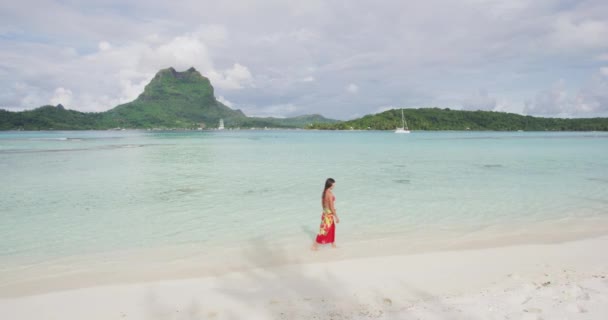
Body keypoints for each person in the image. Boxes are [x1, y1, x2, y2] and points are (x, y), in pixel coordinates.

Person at [311, 178, 339, 250]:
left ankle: (333, 244)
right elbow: (332, 207)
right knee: (325, 231)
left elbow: (323, 204)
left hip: (325, 213)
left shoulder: (324, 192)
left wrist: (326, 211)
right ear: (330, 185)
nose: (334, 186)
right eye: (333, 184)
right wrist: (336, 216)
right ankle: (315, 245)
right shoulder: (329, 194)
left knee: (331, 229)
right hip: (328, 215)